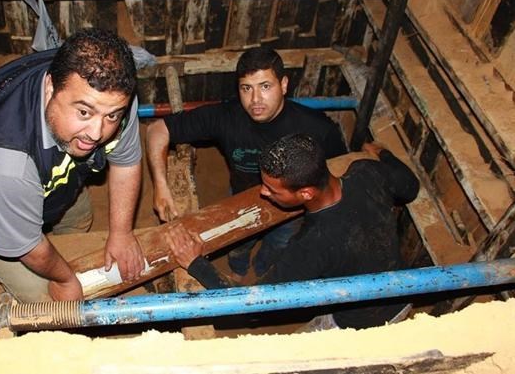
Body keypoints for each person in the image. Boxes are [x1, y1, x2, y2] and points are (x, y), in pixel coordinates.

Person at [0, 28, 145, 303]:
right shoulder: (3, 163)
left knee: (79, 217)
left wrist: (122, 233)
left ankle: (55, 232)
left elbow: (126, 162)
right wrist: (64, 279)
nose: (97, 133)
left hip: (43, 165)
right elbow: (28, 247)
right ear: (50, 87)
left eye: (112, 116)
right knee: (48, 300)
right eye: (84, 112)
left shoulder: (110, 94)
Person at [165, 133, 420, 330]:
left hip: (363, 322)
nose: (263, 192)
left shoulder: (312, 245)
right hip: (403, 290)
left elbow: (251, 305)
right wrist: (384, 153)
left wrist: (196, 263)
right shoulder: (367, 171)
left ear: (306, 193)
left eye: (272, 190)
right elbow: (410, 186)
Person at [147, 47, 346, 279]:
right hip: (240, 199)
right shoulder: (227, 117)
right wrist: (160, 185)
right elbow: (156, 130)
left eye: (265, 86)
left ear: (283, 85)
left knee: (280, 243)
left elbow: (339, 170)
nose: (255, 99)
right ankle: (238, 269)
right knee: (238, 245)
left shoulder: (317, 128)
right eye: (246, 88)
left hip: (292, 209)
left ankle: (263, 268)